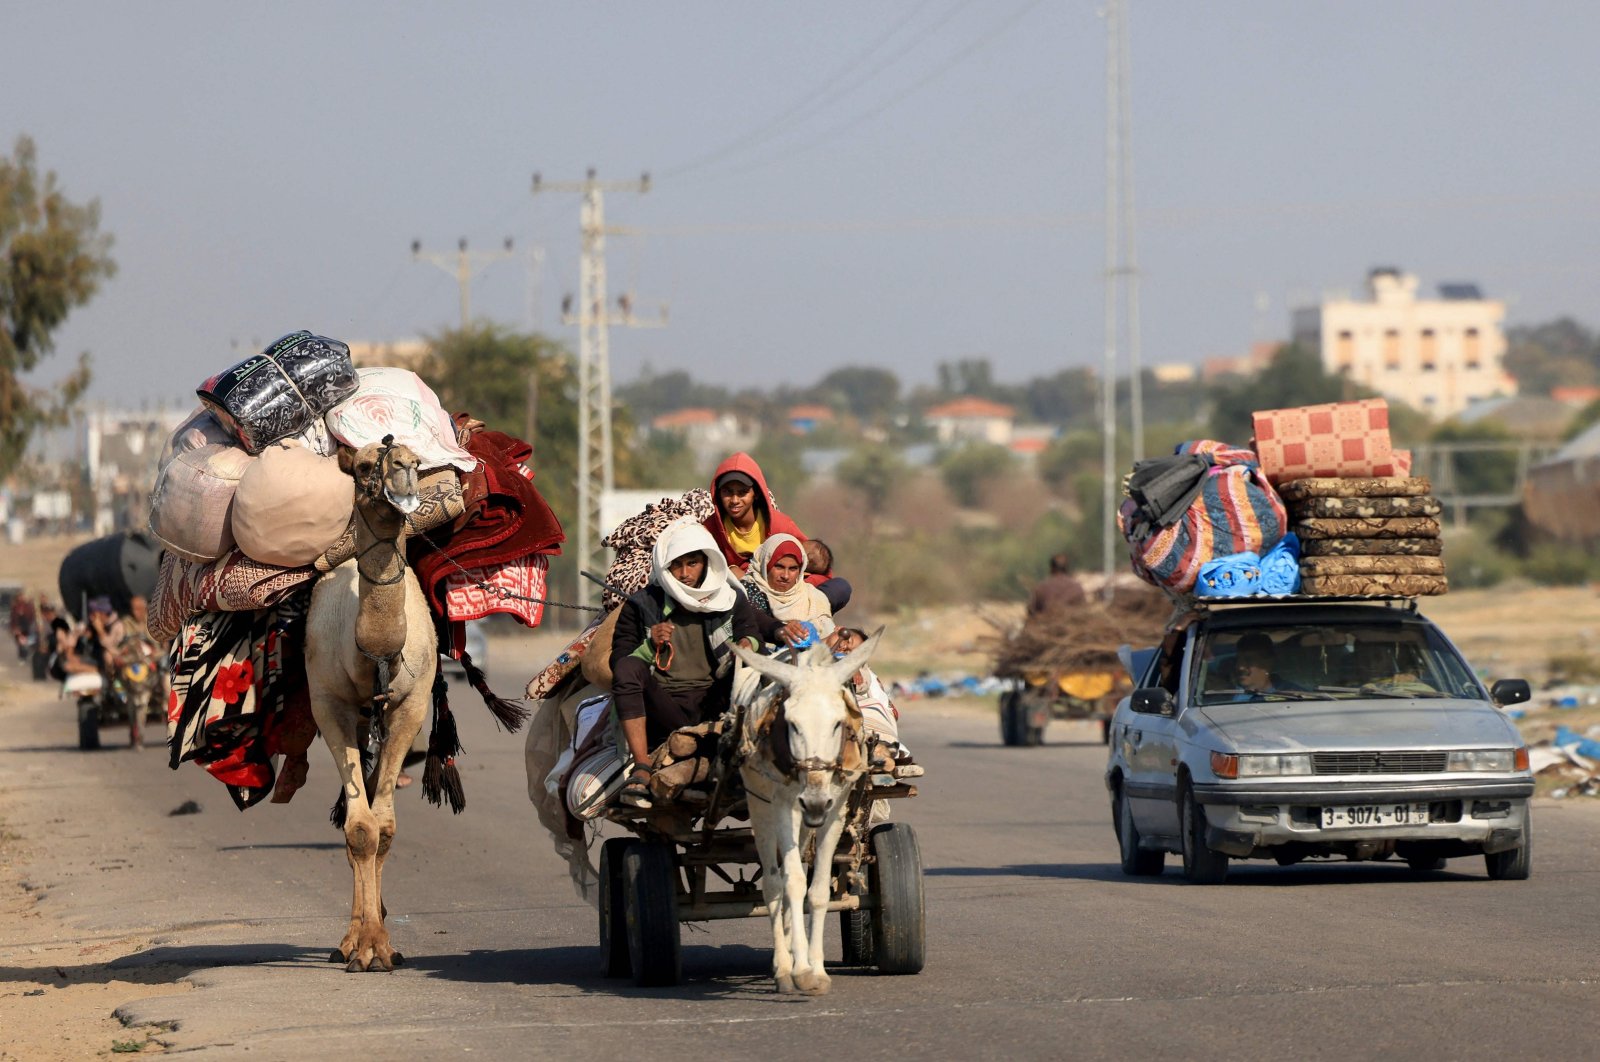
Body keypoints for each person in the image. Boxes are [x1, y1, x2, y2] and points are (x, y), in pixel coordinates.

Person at [610, 519, 786, 809]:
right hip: (664, 705)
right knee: (629, 670)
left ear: (707, 562)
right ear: (665, 567)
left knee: (756, 669)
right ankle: (641, 765)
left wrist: (746, 646)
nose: (685, 573)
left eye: (693, 563)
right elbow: (619, 661)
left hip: (716, 704)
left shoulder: (729, 599)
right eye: (676, 565)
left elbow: (752, 636)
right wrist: (650, 644)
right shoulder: (642, 604)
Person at [702, 452, 855, 611]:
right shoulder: (710, 529)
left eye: (742, 492)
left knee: (841, 587)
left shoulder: (780, 525)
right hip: (744, 599)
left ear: (755, 494)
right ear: (718, 494)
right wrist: (735, 576)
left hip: (788, 594)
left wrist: (795, 586)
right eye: (727, 492)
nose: (734, 500)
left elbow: (817, 565)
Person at [742, 533, 837, 646]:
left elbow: (829, 638)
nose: (786, 576)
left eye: (793, 568)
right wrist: (780, 629)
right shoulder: (747, 590)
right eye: (779, 566)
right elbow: (754, 622)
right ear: (765, 564)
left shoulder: (813, 598)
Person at [1027, 553, 1086, 618]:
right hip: (1073, 623)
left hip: (1046, 624)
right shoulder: (1077, 588)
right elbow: (1084, 609)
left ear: (1051, 568)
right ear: (1067, 568)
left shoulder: (1040, 588)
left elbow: (1031, 611)